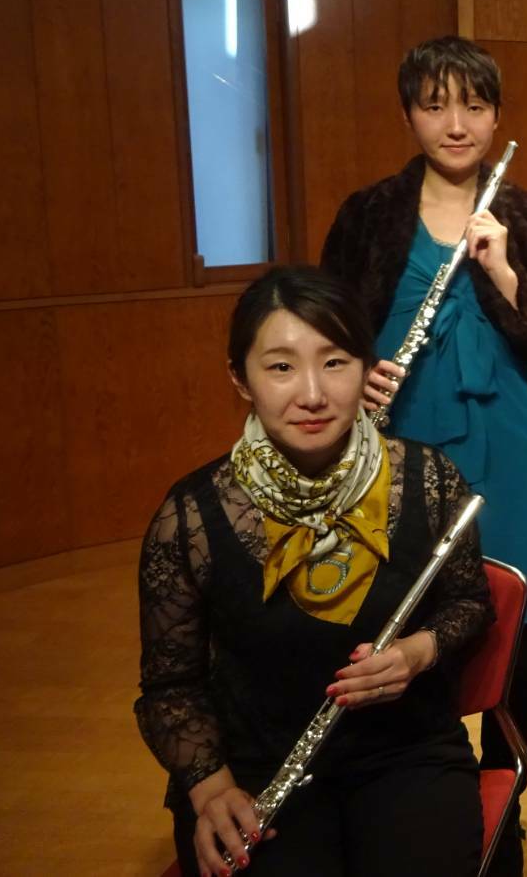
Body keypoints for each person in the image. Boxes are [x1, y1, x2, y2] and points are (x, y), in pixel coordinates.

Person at [320, 35, 527, 873]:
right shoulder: (370, 212)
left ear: (496, 114)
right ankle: (416, 792)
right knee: (403, 619)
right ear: (408, 115)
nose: (456, 123)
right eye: (434, 105)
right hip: (399, 448)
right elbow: (322, 329)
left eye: (473, 104)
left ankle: (504, 811)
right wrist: (351, 375)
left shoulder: (525, 216)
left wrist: (503, 270)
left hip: (510, 450)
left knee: (515, 632)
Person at [135, 267, 492, 877]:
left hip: (407, 754)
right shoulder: (190, 517)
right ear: (239, 378)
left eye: (334, 363)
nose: (312, 394)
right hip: (255, 768)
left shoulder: (430, 479)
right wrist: (210, 788)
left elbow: (470, 602)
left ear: (367, 368)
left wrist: (419, 652)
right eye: (281, 367)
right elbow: (170, 687)